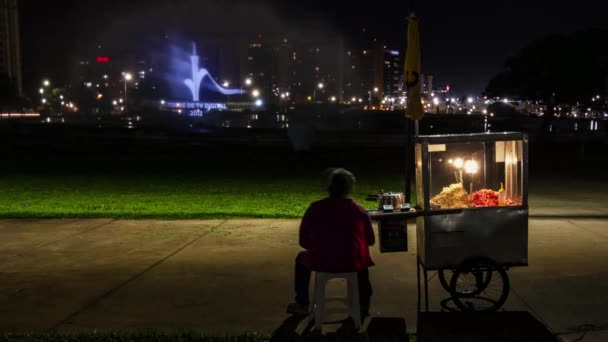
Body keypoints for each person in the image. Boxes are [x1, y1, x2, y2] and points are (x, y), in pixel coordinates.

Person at [286, 168, 375, 318]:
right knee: (362, 257)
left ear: (329, 187)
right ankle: (363, 304)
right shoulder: (359, 210)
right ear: (349, 188)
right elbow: (370, 241)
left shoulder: (314, 208)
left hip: (321, 260)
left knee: (301, 258)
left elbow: (303, 242)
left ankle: (302, 303)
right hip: (351, 262)